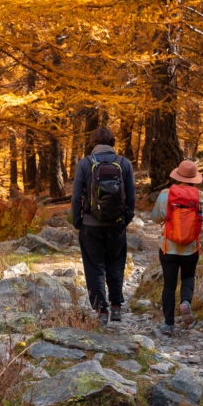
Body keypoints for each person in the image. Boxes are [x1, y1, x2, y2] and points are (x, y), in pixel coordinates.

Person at [71, 127, 135, 325]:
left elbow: (76, 196)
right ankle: (116, 307)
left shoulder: (85, 164)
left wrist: (77, 221)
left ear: (93, 143)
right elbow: (131, 196)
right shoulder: (124, 163)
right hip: (116, 224)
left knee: (94, 267)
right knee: (116, 264)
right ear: (112, 142)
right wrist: (126, 219)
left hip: (91, 225)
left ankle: (102, 311)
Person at [151, 159, 203, 336]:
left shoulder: (166, 194)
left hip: (168, 247)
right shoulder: (199, 196)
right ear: (194, 178)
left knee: (169, 286)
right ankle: (186, 302)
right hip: (191, 247)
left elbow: (156, 217)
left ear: (177, 176)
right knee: (188, 276)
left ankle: (168, 324)